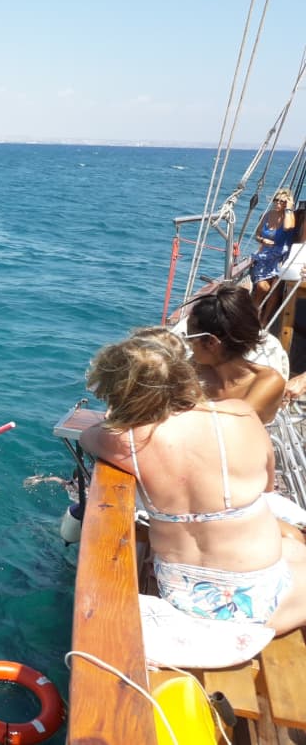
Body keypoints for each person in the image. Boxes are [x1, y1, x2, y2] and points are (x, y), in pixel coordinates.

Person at [80, 328, 306, 634]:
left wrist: (125, 411)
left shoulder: (127, 441)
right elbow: (267, 487)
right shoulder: (240, 414)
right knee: (294, 548)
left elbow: (87, 437)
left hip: (185, 596)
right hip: (259, 600)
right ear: (186, 374)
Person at [183, 284, 287, 424]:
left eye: (190, 339)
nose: (189, 345)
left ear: (211, 343)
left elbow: (234, 425)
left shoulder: (268, 381)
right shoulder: (195, 369)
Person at [250, 188, 296, 320]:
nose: (278, 203)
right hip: (264, 257)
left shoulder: (290, 216)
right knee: (261, 287)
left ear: (287, 203)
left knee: (274, 291)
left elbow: (287, 227)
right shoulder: (267, 215)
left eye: (282, 201)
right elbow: (257, 234)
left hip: (280, 258)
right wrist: (262, 240)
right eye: (276, 200)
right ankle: (254, 318)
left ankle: (264, 321)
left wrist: (289, 208)